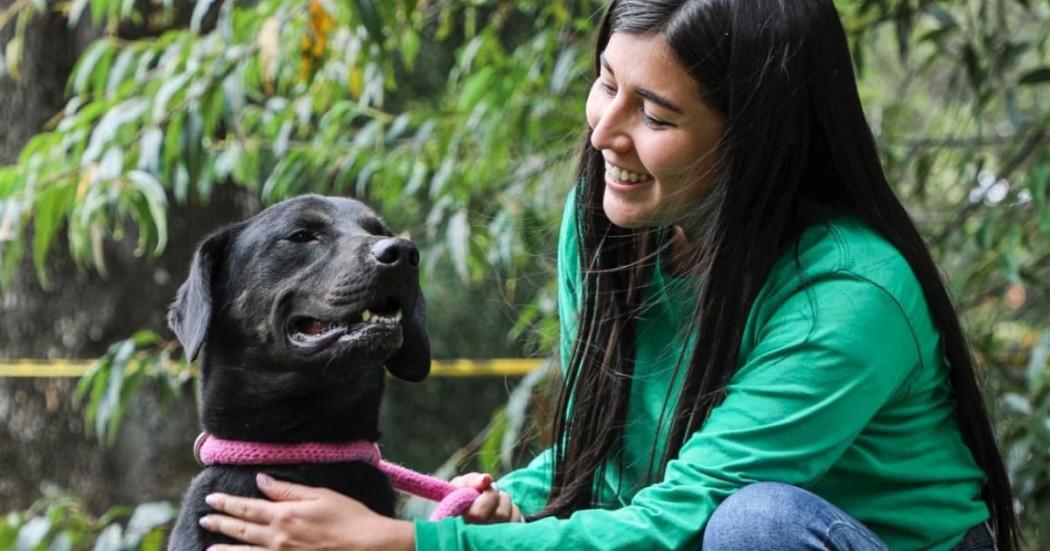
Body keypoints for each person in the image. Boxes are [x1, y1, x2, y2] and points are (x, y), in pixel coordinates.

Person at [197, 1, 1021, 549]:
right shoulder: (613, 224)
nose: (604, 135)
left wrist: (413, 539)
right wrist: (507, 499)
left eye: (655, 115)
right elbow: (616, 453)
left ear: (757, 141)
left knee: (756, 524)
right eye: (606, 85)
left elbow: (680, 516)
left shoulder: (848, 298)